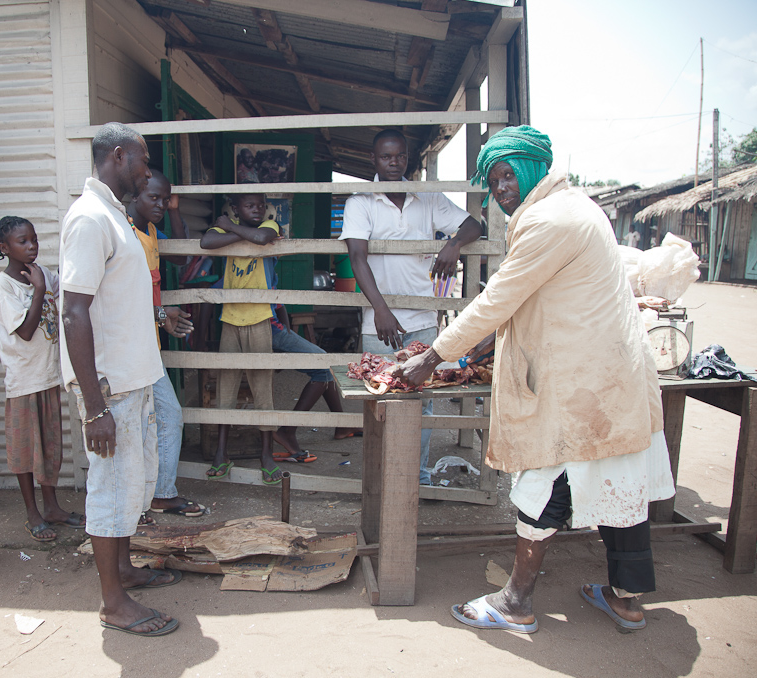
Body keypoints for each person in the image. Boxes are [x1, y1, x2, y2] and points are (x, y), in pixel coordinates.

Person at [397, 125, 674, 634]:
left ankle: (516, 602)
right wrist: (477, 346)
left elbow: (499, 297)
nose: (501, 188)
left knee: (547, 482)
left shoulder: (549, 219)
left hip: (582, 383)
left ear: (532, 168)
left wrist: (432, 356)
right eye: (492, 180)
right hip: (613, 378)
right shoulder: (578, 207)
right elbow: (530, 298)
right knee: (621, 481)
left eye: (507, 175)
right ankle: (627, 600)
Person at [60, 121, 180, 637]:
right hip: (111, 388)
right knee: (110, 489)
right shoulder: (88, 219)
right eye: (143, 160)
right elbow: (73, 313)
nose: (147, 170)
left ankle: (125, 571)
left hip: (136, 377)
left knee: (133, 483)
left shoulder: (112, 215)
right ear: (116, 156)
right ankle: (113, 603)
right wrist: (94, 407)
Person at [340, 128, 483, 485]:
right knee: (381, 401)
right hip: (379, 326)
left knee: (422, 401)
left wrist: (452, 245)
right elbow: (358, 258)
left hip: (421, 320)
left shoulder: (428, 200)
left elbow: (473, 225)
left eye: (399, 156)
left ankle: (415, 478)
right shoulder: (360, 202)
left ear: (408, 159)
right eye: (386, 157)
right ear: (374, 160)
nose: (393, 163)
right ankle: (382, 479)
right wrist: (381, 310)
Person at [0, 216, 83, 543]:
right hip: (23, 382)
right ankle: (33, 514)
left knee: (50, 448)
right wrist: (40, 290)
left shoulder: (42, 273)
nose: (31, 247)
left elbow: (69, 286)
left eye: (33, 240)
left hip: (47, 378)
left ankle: (53, 507)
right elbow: (27, 332)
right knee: (26, 452)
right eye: (22, 242)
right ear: (5, 249)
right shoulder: (5, 287)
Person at [127, 172, 205, 518]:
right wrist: (161, 313)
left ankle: (157, 493)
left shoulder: (151, 231)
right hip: (129, 349)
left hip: (147, 345)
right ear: (134, 195)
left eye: (165, 199)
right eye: (153, 198)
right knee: (157, 418)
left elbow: (179, 258)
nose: (159, 205)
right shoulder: (127, 235)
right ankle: (151, 496)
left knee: (160, 418)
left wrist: (173, 209)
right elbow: (120, 298)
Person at [200, 192, 283, 485]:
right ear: (236, 209)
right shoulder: (222, 229)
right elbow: (206, 242)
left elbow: (261, 238)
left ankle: (266, 456)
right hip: (230, 319)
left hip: (259, 318)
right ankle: (221, 454)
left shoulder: (270, 226)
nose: (258, 209)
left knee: (263, 389)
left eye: (260, 205)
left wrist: (232, 229)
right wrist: (237, 232)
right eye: (250, 206)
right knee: (226, 388)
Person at [270, 304, 360, 462]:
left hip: (277, 330)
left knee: (324, 366)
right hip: (269, 332)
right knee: (323, 364)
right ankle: (288, 430)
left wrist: (287, 331)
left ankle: (342, 425)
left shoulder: (270, 278)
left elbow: (279, 306)